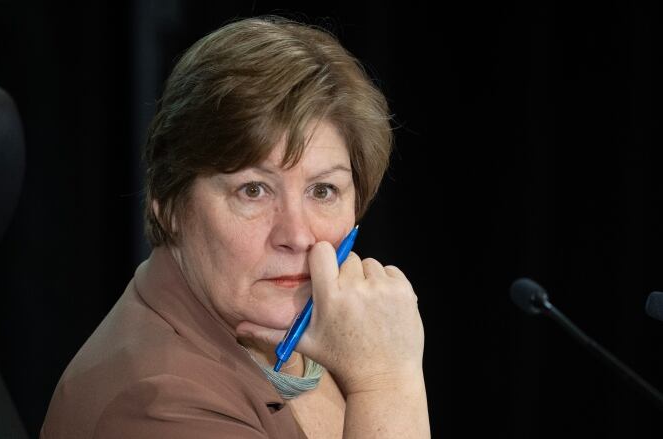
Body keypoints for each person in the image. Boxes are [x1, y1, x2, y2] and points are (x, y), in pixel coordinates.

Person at [41, 16, 429, 439]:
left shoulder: (322, 334)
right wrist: (386, 381)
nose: (297, 235)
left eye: (322, 190)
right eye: (254, 191)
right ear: (169, 202)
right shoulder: (154, 406)